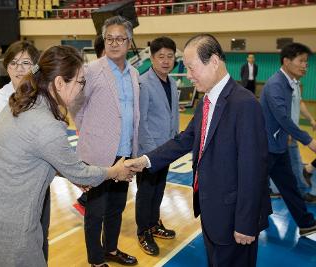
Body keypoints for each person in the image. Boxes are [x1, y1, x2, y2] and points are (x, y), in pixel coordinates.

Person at [0, 45, 134, 267]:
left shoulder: (22, 104)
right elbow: (80, 171)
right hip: (8, 228)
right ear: (59, 83)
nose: (82, 89)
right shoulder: (46, 123)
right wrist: (115, 171)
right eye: (80, 82)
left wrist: (71, 174)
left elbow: (33, 157)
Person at [125, 34, 272, 267]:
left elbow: (253, 169)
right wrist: (144, 160)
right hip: (213, 211)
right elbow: (185, 139)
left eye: (192, 69)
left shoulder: (244, 104)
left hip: (234, 217)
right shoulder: (207, 102)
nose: (189, 76)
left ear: (214, 62)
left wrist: (245, 223)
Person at [71, 16, 140, 267]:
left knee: (116, 208)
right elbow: (76, 105)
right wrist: (89, 133)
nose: (113, 43)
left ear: (129, 41)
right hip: (97, 154)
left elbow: (132, 113)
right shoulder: (91, 71)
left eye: (119, 38)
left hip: (125, 153)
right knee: (95, 212)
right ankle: (96, 260)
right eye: (109, 38)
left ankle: (111, 248)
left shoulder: (133, 73)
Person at [0, 40, 58, 261]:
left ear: (35, 67)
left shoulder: (44, 101)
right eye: (13, 63)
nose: (19, 68)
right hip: (8, 190)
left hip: (39, 187)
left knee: (40, 240)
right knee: (10, 247)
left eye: (26, 62)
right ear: (7, 67)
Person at [260, 42, 316, 235]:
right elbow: (281, 117)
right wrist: (308, 140)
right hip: (264, 148)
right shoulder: (275, 84)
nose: (304, 66)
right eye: (301, 61)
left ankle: (306, 223)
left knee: (289, 186)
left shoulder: (291, 83)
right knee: (253, 188)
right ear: (286, 61)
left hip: (278, 146)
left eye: (306, 62)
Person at [135, 36, 179, 256]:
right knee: (146, 193)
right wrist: (153, 153)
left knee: (159, 190)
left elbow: (174, 114)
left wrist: (176, 142)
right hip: (149, 152)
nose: (165, 60)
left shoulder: (171, 81)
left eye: (169, 56)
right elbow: (140, 121)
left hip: (166, 150)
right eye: (160, 56)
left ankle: (154, 223)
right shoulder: (144, 83)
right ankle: (143, 231)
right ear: (151, 58)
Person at [74, 34, 106, 216]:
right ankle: (84, 204)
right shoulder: (89, 74)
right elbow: (76, 104)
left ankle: (86, 203)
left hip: (107, 138)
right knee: (96, 177)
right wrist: (84, 128)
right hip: (94, 139)